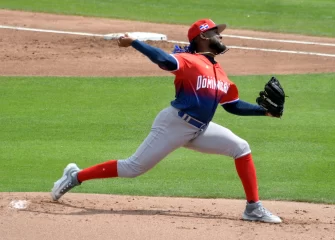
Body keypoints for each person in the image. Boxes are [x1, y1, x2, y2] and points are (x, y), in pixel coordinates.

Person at [51, 19, 282, 223]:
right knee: (133, 168)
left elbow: (233, 105)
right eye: (215, 32)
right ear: (203, 36)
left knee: (241, 147)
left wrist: (264, 111)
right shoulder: (188, 60)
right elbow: (163, 59)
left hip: (199, 129)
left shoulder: (219, 71)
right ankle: (76, 176)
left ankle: (253, 208)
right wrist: (134, 42)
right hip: (175, 124)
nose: (220, 36)